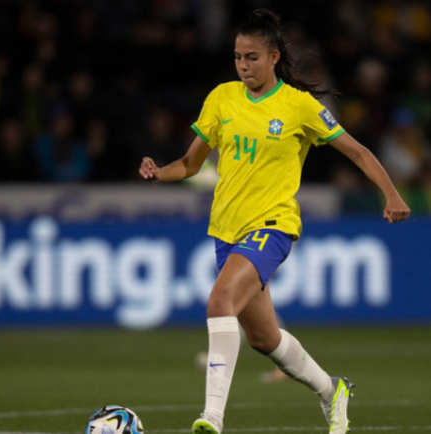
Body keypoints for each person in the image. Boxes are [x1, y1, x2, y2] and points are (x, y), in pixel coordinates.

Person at [138, 10, 411, 434]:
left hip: (272, 225)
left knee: (219, 300)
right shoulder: (222, 99)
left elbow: (357, 152)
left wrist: (391, 193)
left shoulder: (300, 106)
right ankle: (331, 390)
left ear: (273, 57)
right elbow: (191, 165)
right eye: (237, 58)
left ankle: (212, 416)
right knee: (264, 339)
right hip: (226, 231)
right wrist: (161, 172)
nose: (243, 66)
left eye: (251, 57)